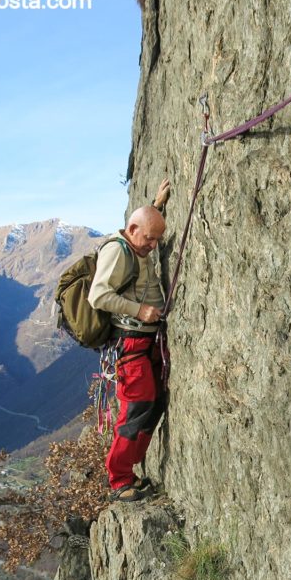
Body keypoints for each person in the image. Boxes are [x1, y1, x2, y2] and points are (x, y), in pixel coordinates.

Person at [88, 179, 171, 502]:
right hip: (131, 342)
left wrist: (158, 204)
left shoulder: (136, 239)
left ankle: (131, 468)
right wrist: (140, 310)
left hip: (144, 341)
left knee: (155, 402)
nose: (153, 246)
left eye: (157, 240)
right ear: (133, 229)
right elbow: (98, 295)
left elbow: (145, 225)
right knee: (136, 406)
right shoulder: (117, 251)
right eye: (150, 239)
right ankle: (119, 479)